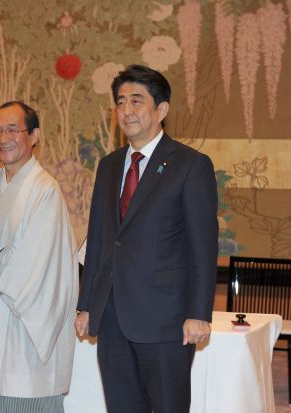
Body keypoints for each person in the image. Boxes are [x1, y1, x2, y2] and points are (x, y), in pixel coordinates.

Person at [75, 64, 218, 413]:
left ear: (161, 109)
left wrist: (199, 313)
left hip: (166, 320)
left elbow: (203, 245)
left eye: (137, 101)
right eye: (121, 102)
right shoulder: (109, 166)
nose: (126, 111)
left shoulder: (189, 164)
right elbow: (99, 240)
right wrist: (86, 304)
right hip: (111, 317)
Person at [0, 101, 79, 412]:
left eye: (13, 129)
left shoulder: (44, 189)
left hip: (22, 307)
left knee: (22, 390)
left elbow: (38, 258)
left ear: (34, 135)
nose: (3, 137)